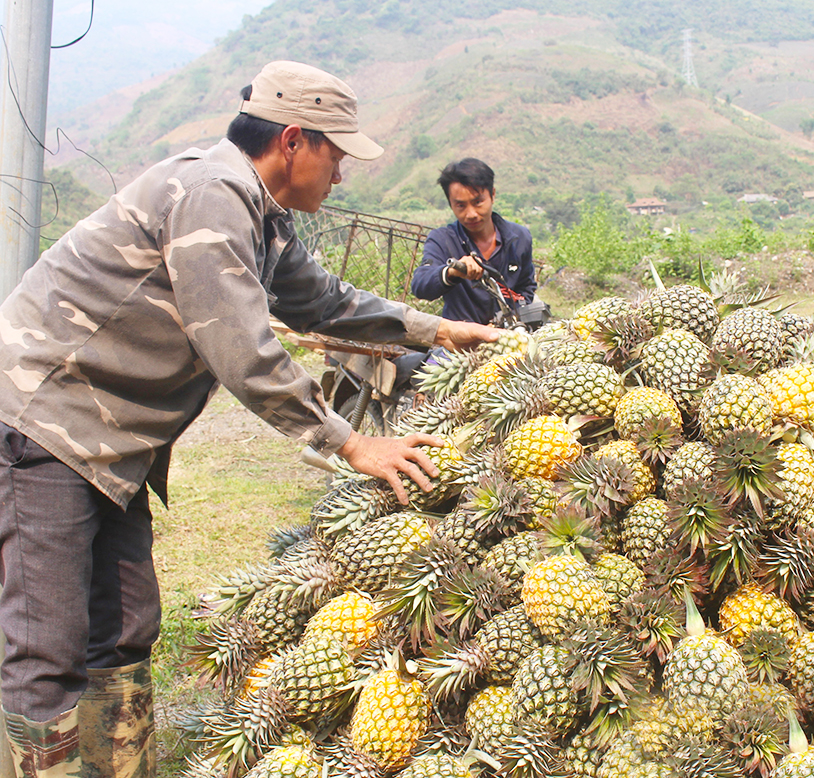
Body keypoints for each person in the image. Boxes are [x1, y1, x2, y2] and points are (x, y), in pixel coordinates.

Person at [0, 61, 495, 778]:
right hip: (47, 421)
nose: (342, 176)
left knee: (124, 629)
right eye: (337, 155)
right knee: (47, 648)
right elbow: (241, 347)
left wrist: (440, 331)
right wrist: (352, 442)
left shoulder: (261, 214)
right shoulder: (211, 194)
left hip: (109, 443)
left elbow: (324, 301)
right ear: (293, 141)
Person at [410, 158, 537, 324]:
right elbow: (420, 285)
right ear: (450, 204)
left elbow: (526, 287)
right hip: (459, 344)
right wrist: (452, 272)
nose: (471, 214)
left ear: (492, 195)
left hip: (508, 340)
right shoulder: (442, 239)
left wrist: (511, 318)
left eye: (478, 202)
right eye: (461, 206)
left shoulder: (519, 238)